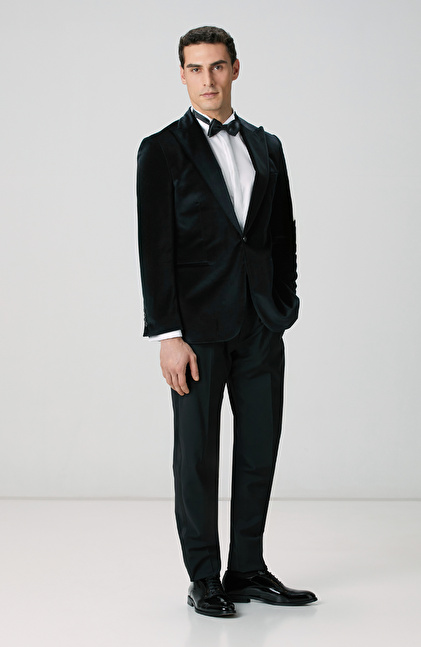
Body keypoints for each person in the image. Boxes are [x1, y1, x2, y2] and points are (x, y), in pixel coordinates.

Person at [136, 25, 317, 617]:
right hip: (195, 332)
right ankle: (204, 578)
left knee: (259, 449)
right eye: (195, 69)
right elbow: (154, 248)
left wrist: (283, 304)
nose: (207, 80)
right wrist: (168, 335)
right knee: (196, 456)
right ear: (182, 75)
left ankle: (246, 568)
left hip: (260, 324)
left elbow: (282, 233)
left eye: (217, 66)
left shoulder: (267, 146)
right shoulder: (161, 150)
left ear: (235, 69)